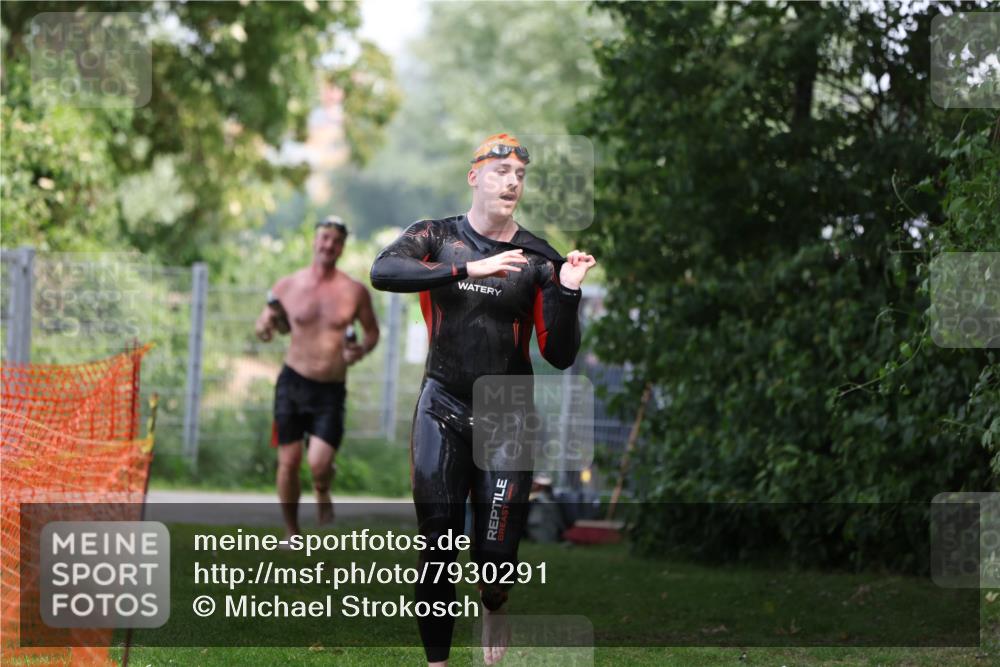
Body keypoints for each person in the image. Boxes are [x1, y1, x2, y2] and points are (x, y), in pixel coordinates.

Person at [370, 134, 597, 666]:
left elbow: (559, 354)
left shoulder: (539, 258)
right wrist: (467, 270)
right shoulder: (437, 236)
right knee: (438, 545)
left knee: (495, 559)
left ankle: (494, 601)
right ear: (475, 176)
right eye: (500, 170)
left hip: (508, 416)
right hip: (442, 404)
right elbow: (383, 271)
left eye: (519, 172)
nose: (512, 180)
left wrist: (567, 290)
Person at [255, 216, 379, 539]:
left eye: (336, 241)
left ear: (342, 247)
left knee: (319, 463)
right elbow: (264, 324)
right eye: (324, 238)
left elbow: (372, 333)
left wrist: (361, 351)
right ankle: (291, 531)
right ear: (314, 240)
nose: (329, 245)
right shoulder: (287, 285)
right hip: (292, 383)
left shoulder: (354, 291)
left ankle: (323, 486)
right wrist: (266, 327)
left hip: (330, 390)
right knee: (289, 461)